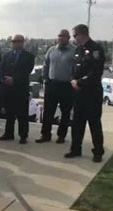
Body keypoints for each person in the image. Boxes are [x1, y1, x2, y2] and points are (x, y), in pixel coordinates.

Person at [65, 24, 105, 163]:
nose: (74, 38)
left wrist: (80, 82)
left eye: (75, 35)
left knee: (94, 123)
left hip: (92, 93)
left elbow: (95, 72)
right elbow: (74, 69)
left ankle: (98, 152)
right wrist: (72, 80)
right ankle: (75, 148)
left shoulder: (96, 49)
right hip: (78, 94)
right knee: (77, 123)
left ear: (82, 34)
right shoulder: (78, 50)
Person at [37, 29, 76, 144]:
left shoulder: (74, 50)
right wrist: (45, 78)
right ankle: (45, 134)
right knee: (48, 111)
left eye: (64, 36)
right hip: (52, 84)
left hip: (67, 86)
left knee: (65, 113)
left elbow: (77, 68)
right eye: (59, 36)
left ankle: (61, 136)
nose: (61, 38)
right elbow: (45, 65)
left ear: (68, 38)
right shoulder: (51, 50)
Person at [0, 34, 34, 144]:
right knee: (9, 113)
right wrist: (3, 79)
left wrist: (14, 80)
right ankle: (8, 133)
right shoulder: (7, 55)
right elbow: (1, 69)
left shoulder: (29, 56)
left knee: (22, 114)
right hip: (8, 89)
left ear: (23, 42)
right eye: (13, 41)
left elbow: (26, 72)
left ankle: (23, 135)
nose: (15, 43)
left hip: (20, 89)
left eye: (18, 41)